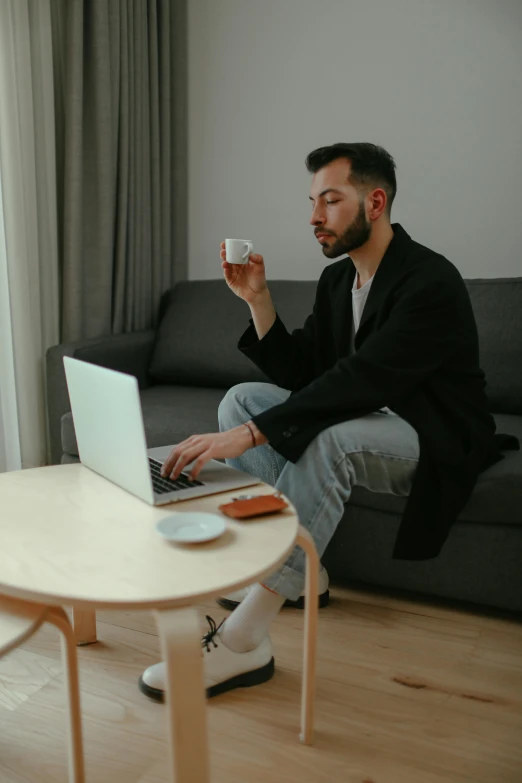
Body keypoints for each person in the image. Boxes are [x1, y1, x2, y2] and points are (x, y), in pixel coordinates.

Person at [139, 142, 514, 702]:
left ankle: (245, 643)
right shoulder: (340, 282)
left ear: (376, 201)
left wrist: (248, 437)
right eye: (313, 201)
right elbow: (305, 374)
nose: (315, 216)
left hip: (431, 433)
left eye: (331, 200)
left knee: (324, 438)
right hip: (365, 415)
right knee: (242, 398)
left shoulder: (429, 279)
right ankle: (300, 575)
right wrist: (258, 302)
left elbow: (360, 379)